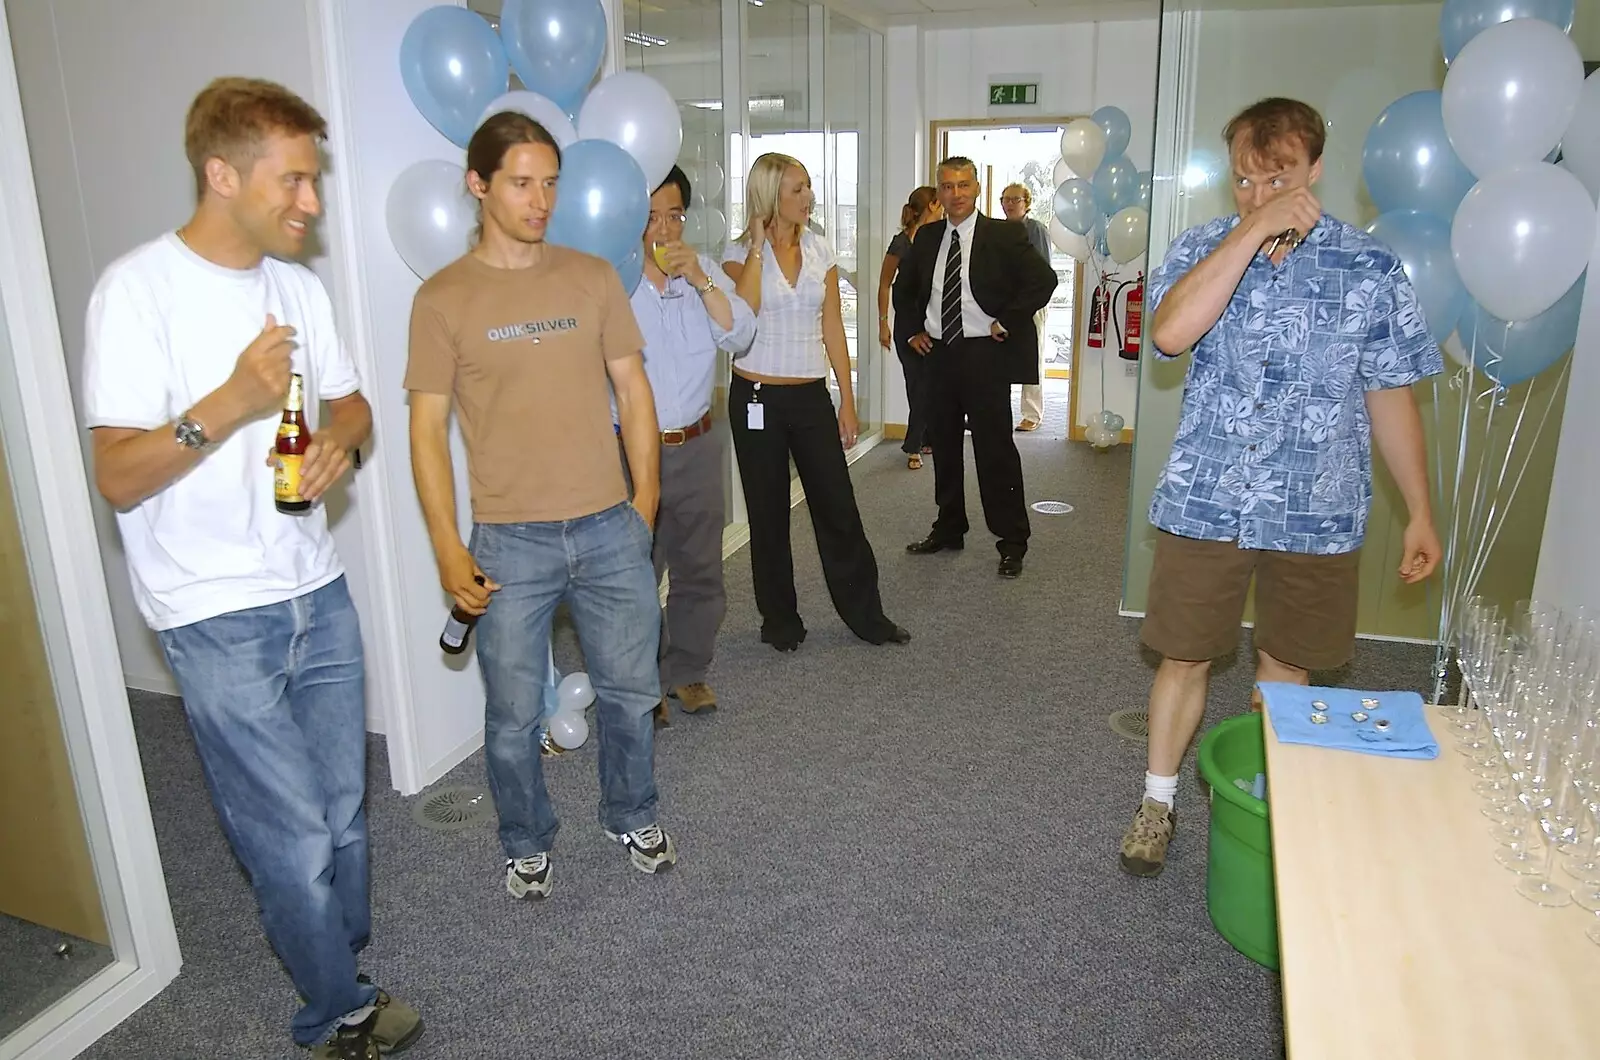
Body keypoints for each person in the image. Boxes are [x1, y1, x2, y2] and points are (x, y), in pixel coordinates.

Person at [82, 78, 420, 1060]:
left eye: (313, 179)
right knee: (295, 839)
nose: (311, 202)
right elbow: (116, 472)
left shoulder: (297, 288)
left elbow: (353, 405)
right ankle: (333, 1011)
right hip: (210, 615)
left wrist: (339, 448)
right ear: (221, 173)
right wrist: (228, 401)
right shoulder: (136, 291)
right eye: (296, 180)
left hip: (315, 589)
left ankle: (338, 963)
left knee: (347, 820)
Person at [1119, 97, 1442, 879]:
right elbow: (1168, 336)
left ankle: (1267, 799)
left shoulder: (1368, 267)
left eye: (1279, 177)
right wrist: (1250, 231)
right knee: (1185, 657)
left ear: (1316, 169)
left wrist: (1421, 513)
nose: (1260, 193)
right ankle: (1157, 803)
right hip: (1209, 495)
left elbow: (1390, 395)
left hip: (1317, 507)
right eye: (1244, 180)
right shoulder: (1203, 246)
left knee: (1288, 667)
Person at [406, 112, 677, 903]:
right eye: (522, 182)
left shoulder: (591, 277)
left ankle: (631, 811)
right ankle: (525, 838)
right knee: (513, 715)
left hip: (608, 528)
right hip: (508, 544)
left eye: (550, 182)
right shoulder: (443, 299)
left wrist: (645, 505)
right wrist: (448, 549)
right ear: (478, 184)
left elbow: (634, 387)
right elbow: (425, 432)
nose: (540, 199)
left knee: (632, 694)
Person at [721, 152, 909, 652]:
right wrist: (760, 249)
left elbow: (832, 327)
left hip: (809, 397)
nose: (808, 198)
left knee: (838, 507)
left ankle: (867, 616)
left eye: (808, 187)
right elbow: (744, 315)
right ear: (769, 197)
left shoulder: (822, 250)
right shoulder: (738, 252)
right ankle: (780, 621)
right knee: (769, 514)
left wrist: (848, 399)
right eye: (797, 190)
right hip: (756, 396)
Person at [631, 165, 757, 726]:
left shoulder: (702, 269)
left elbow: (741, 334)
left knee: (700, 567)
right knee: (636, 572)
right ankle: (642, 682)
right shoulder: (613, 279)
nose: (664, 228)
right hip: (633, 451)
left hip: (700, 441)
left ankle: (687, 671)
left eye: (674, 215)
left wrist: (704, 283)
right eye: (652, 216)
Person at [895, 157, 1060, 579]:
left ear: (977, 189)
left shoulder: (1004, 234)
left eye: (964, 185)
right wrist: (913, 330)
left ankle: (1012, 541)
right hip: (938, 354)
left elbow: (1044, 281)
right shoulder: (927, 237)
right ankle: (949, 527)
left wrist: (1006, 318)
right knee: (945, 446)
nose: (957, 194)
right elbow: (906, 289)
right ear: (939, 192)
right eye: (947, 187)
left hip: (985, 353)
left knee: (994, 450)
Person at [877, 186, 942, 469]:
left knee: (931, 384)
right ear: (932, 205)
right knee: (918, 385)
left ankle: (926, 437)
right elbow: (884, 284)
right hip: (907, 324)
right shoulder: (902, 242)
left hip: (934, 322)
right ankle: (913, 446)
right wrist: (883, 323)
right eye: (940, 202)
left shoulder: (939, 239)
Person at [999, 183, 1055, 433]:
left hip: (1031, 305)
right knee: (1000, 359)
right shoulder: (997, 230)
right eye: (1005, 199)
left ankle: (1032, 413)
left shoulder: (1036, 230)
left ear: (1027, 203)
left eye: (1015, 199)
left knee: (1032, 357)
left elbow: (1043, 274)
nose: (1009, 203)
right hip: (1004, 305)